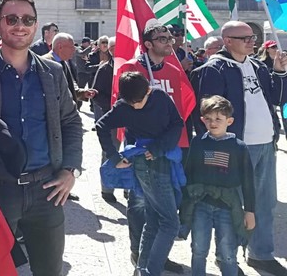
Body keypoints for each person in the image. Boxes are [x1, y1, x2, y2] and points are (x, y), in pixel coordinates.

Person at [0, 0, 83, 276]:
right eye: (12, 18)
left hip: (46, 190)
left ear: (36, 25)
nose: (20, 25)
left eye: (28, 19)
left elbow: (71, 122)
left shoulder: (53, 72)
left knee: (49, 271)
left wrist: (70, 170)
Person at [195, 21, 287, 275]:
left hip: (265, 143)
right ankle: (226, 256)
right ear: (227, 40)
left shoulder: (257, 65)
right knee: (230, 205)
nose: (251, 41)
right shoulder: (215, 68)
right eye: (245, 37)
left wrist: (279, 73)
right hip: (235, 148)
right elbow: (207, 112)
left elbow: (277, 99)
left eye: (252, 37)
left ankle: (261, 253)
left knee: (264, 203)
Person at [113, 22, 188, 273]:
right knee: (139, 205)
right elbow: (120, 109)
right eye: (163, 38)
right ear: (148, 44)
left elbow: (178, 112)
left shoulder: (174, 71)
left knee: (161, 211)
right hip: (141, 152)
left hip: (167, 150)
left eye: (171, 37)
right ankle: (139, 254)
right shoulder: (132, 70)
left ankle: (157, 257)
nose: (170, 41)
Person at [96, 71, 184, 276]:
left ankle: (142, 269)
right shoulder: (123, 106)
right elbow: (101, 125)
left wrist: (160, 148)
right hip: (144, 165)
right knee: (171, 223)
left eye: (140, 100)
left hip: (166, 160)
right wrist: (114, 157)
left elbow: (177, 123)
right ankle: (149, 271)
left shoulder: (160, 97)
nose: (136, 105)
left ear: (149, 90)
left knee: (154, 220)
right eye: (131, 102)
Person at [180, 95, 256, 276]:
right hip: (201, 204)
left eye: (218, 119)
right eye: (208, 119)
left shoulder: (239, 147)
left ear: (229, 121)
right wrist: (184, 203)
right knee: (198, 249)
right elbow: (188, 174)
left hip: (228, 206)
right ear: (202, 120)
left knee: (229, 253)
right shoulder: (198, 142)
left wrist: (250, 211)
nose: (213, 123)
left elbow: (248, 181)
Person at [90, 36, 119, 202]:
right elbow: (96, 93)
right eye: (112, 47)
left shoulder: (134, 67)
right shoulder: (105, 69)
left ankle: (128, 187)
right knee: (110, 152)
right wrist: (111, 108)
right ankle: (107, 189)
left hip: (133, 120)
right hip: (113, 118)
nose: (115, 50)